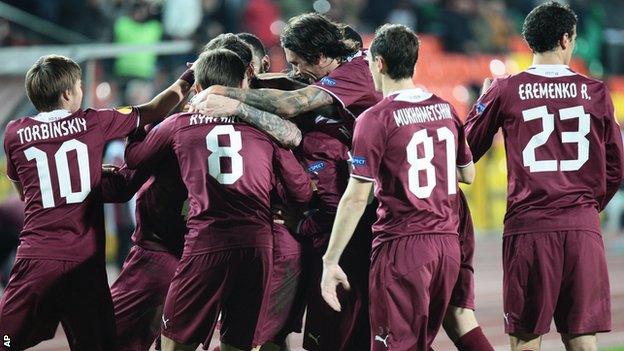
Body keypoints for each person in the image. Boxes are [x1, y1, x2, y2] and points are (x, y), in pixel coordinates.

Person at [193, 17, 381, 350]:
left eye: (296, 62)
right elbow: (291, 86)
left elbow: (291, 103)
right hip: (353, 216)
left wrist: (229, 97)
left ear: (322, 57)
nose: (293, 71)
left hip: (366, 214)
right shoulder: (343, 72)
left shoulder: (354, 77)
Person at [0, 54, 192, 350]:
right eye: (78, 86)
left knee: (6, 340)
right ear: (67, 93)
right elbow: (156, 108)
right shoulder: (93, 121)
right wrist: (189, 78)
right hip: (83, 261)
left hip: (37, 257)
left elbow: (25, 191)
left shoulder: (14, 132)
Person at [124, 49, 312, 351]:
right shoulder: (265, 127)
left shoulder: (179, 124)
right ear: (243, 84)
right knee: (238, 344)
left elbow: (134, 158)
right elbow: (302, 191)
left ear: (198, 89)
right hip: (257, 246)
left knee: (174, 344)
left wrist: (141, 126)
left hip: (206, 242)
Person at [464, 2, 624, 350]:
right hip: (581, 225)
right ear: (567, 38)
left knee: (525, 338)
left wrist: (482, 102)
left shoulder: (506, 89)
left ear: (529, 41)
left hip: (530, 226)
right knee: (582, 339)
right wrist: (585, 208)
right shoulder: (596, 92)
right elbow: (615, 167)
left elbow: (466, 150)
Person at [320, 24, 475, 351]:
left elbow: (357, 196)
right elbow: (468, 174)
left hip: (403, 245)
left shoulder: (376, 118)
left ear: (379, 63)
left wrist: (330, 260)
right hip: (447, 244)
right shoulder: (445, 108)